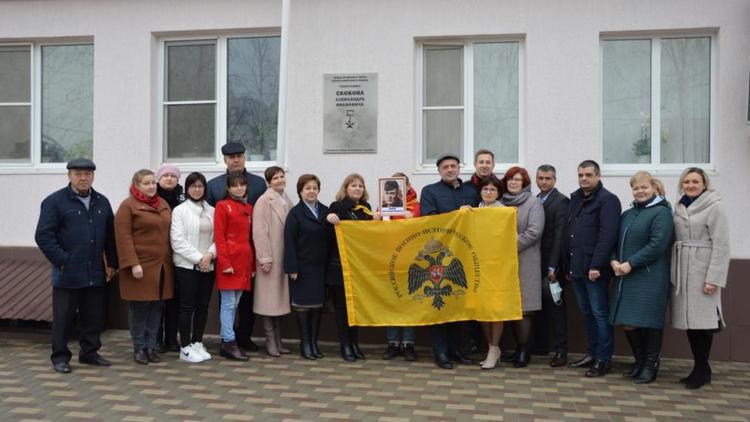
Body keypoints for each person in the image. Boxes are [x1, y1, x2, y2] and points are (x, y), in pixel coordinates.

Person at [35, 158, 118, 374]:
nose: (83, 178)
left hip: (96, 270)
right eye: (78, 174)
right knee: (64, 317)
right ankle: (60, 357)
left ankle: (89, 353)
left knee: (93, 315)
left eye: (87, 174)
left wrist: (112, 263)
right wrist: (62, 260)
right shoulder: (55, 201)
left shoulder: (102, 202)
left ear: (93, 176)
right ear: (69, 176)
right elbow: (43, 236)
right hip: (67, 272)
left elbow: (110, 236)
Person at [610, 171, 673, 383]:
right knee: (629, 322)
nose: (640, 191)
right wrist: (614, 261)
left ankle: (651, 364)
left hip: (650, 276)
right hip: (625, 276)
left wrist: (630, 263)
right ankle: (639, 360)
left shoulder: (661, 213)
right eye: (636, 188)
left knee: (649, 321)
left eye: (644, 187)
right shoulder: (628, 214)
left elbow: (657, 245)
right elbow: (615, 242)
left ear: (654, 188)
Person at [671, 167, 730, 389]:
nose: (691, 185)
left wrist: (713, 278)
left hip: (702, 269)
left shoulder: (715, 207)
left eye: (695, 181)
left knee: (704, 323)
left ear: (704, 184)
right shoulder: (678, 207)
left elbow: (722, 244)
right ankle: (700, 367)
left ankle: (702, 368)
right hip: (683, 269)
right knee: (690, 322)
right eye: (686, 182)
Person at [420, 153, 480, 369]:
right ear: (439, 170)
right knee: (440, 305)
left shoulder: (471, 192)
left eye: (453, 166)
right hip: (438, 259)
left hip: (464, 257)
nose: (449, 169)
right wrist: (458, 214)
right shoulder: (429, 191)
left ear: (459, 168)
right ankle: (441, 352)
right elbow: (430, 220)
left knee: (458, 304)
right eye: (445, 166)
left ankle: (456, 351)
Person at [206, 142, 266, 352]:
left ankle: (244, 337)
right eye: (231, 157)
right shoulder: (213, 186)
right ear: (224, 160)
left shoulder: (259, 184)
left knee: (247, 299)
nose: (236, 160)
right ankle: (228, 339)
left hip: (250, 252)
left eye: (239, 155)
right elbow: (213, 226)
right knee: (228, 300)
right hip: (227, 254)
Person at [564, 160, 621, 377]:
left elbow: (607, 236)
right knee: (587, 313)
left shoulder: (607, 200)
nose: (584, 179)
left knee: (599, 313)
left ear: (598, 175)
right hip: (577, 268)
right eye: (580, 175)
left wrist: (596, 264)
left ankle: (604, 359)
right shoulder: (576, 199)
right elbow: (570, 234)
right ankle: (592, 353)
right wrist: (568, 266)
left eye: (588, 175)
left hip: (594, 270)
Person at [483, 167, 544, 369]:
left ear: (525, 182)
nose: (513, 183)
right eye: (510, 179)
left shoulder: (533, 202)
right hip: (501, 263)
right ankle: (511, 349)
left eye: (518, 180)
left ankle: (524, 350)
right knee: (507, 305)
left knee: (524, 308)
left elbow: (534, 231)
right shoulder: (500, 202)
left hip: (525, 260)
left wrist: (508, 246)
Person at [115, 169, 175, 365]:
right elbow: (123, 238)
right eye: (146, 183)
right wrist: (133, 264)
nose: (151, 187)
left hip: (162, 266)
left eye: (153, 183)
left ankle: (151, 347)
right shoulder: (128, 206)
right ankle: (139, 348)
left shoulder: (163, 204)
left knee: (157, 306)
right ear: (136, 185)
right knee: (140, 307)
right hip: (140, 266)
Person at [326, 173, 377, 361]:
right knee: (342, 308)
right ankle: (345, 345)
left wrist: (376, 223)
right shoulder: (337, 207)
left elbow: (369, 238)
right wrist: (329, 219)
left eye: (360, 186)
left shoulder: (367, 209)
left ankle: (355, 344)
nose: (357, 188)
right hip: (340, 267)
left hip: (359, 269)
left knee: (355, 308)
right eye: (353, 185)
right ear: (346, 188)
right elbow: (329, 235)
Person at [170, 172, 215, 364]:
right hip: (187, 265)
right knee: (187, 306)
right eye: (193, 186)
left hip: (208, 263)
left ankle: (197, 342)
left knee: (203, 306)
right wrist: (199, 259)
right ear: (187, 188)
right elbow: (177, 241)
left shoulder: (212, 210)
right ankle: (185, 346)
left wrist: (210, 255)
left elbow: (219, 238)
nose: (197, 189)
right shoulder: (180, 211)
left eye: (200, 186)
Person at [284, 174, 329, 360]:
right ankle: (305, 344)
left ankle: (314, 342)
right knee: (303, 307)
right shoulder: (295, 214)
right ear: (300, 191)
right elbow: (289, 242)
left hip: (320, 267)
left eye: (314, 188)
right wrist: (292, 268)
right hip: (302, 268)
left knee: (317, 307)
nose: (311, 191)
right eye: (307, 188)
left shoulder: (325, 211)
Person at [214, 172, 255, 361]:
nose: (239, 188)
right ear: (229, 188)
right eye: (235, 185)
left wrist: (251, 265)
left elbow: (249, 239)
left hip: (244, 261)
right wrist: (225, 263)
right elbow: (219, 237)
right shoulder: (222, 206)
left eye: (242, 184)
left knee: (236, 303)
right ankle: (229, 342)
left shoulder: (248, 207)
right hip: (229, 262)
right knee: (229, 304)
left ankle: (227, 341)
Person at [253, 166, 293, 357]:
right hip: (270, 258)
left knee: (280, 301)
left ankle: (279, 340)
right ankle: (270, 340)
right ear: (268, 182)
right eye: (275, 178)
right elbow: (259, 232)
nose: (279, 180)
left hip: (283, 257)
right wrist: (265, 258)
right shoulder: (264, 201)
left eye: (281, 177)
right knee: (269, 301)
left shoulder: (286, 199)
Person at [532, 164, 570, 367]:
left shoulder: (562, 201)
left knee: (556, 308)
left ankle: (561, 351)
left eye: (548, 178)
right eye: (541, 178)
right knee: (538, 306)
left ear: (554, 179)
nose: (544, 182)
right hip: (536, 262)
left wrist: (553, 267)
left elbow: (559, 236)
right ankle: (540, 346)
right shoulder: (535, 200)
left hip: (553, 266)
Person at [381, 172, 420, 362]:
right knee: (392, 301)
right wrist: (377, 219)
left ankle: (409, 343)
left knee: (409, 302)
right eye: (395, 186)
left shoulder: (417, 207)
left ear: (408, 186)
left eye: (402, 185)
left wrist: (414, 218)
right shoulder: (384, 206)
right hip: (390, 262)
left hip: (411, 262)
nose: (398, 190)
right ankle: (393, 343)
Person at [155, 164, 185, 353]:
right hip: (159, 256)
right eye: (165, 175)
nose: (169, 178)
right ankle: (156, 338)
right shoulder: (153, 198)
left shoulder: (183, 198)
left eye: (173, 176)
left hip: (180, 256)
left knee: (175, 300)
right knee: (158, 299)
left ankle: (172, 339)